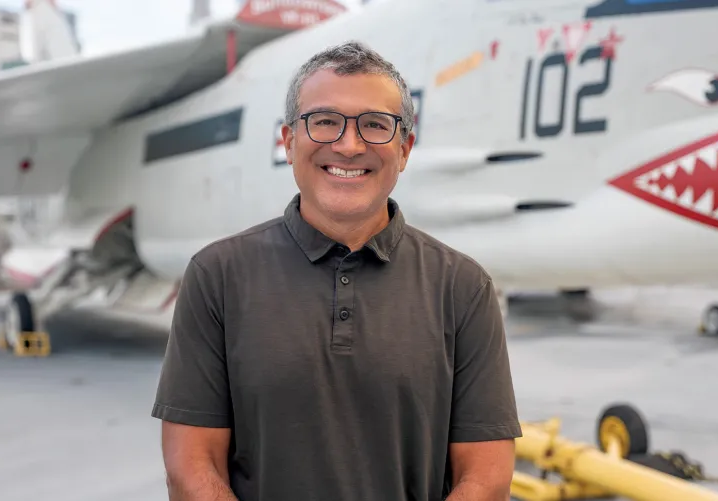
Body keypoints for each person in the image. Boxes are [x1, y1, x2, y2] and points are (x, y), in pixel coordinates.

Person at [151, 41, 522, 501]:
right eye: (325, 122)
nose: (349, 145)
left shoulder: (463, 288)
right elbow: (191, 469)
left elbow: (486, 478)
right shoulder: (217, 277)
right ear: (289, 142)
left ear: (403, 150)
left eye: (375, 125)